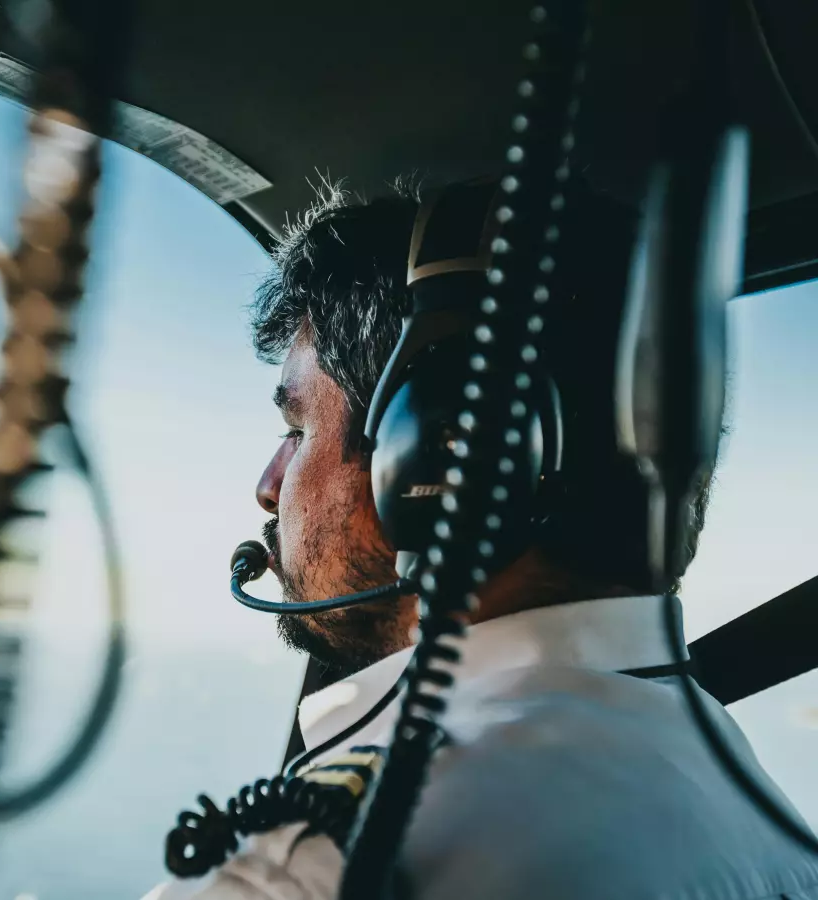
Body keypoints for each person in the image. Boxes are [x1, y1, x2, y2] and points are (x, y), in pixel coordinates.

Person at [142, 179, 818, 899]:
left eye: (296, 430)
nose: (269, 485)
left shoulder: (329, 865)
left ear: (436, 452)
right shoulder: (751, 801)